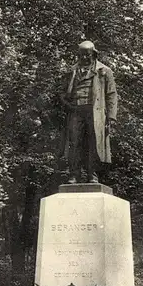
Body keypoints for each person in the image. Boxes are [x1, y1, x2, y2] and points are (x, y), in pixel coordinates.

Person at [59, 41, 117, 184]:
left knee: (94, 143)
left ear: (94, 54)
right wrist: (66, 103)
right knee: (74, 142)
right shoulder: (71, 71)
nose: (84, 58)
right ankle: (74, 174)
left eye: (88, 55)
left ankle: (93, 174)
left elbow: (111, 94)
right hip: (76, 111)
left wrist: (111, 117)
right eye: (82, 55)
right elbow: (62, 91)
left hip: (95, 112)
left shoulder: (104, 71)